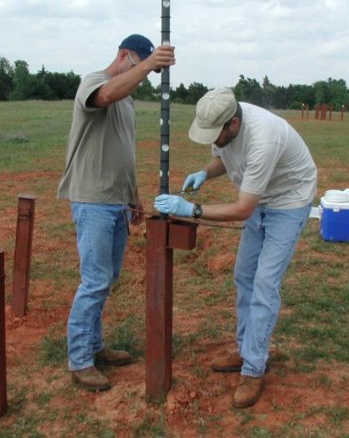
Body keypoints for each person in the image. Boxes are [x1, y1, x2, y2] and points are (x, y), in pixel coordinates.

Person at [154, 87, 317, 408]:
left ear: (234, 124)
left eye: (218, 134)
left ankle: (254, 368)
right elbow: (224, 159)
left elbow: (243, 209)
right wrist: (205, 173)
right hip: (260, 199)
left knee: (264, 284)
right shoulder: (227, 127)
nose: (215, 141)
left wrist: (193, 210)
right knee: (244, 276)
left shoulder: (264, 139)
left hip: (288, 202)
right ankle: (246, 350)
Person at [58, 34, 176, 391]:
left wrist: (134, 195)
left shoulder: (127, 102)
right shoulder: (94, 82)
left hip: (117, 200)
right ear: (125, 55)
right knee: (94, 281)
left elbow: (123, 151)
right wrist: (149, 64)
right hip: (92, 200)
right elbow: (106, 95)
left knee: (106, 279)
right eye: (138, 64)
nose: (142, 74)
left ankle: (95, 346)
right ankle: (79, 360)